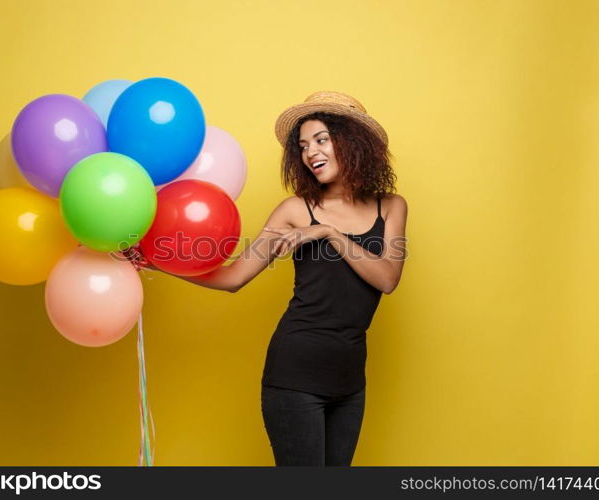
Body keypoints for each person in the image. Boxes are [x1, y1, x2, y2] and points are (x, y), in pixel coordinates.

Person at [143, 91, 407, 466]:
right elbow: (234, 276)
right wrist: (159, 262)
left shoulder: (391, 206)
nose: (310, 153)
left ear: (351, 141)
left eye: (321, 140)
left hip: (350, 380)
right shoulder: (295, 210)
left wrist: (327, 233)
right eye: (302, 146)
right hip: (295, 375)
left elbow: (387, 278)